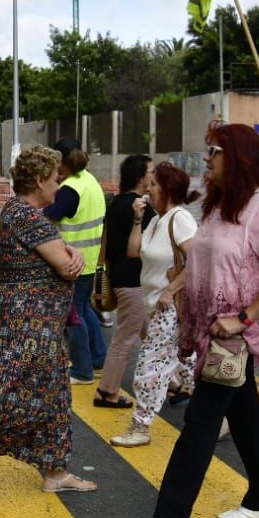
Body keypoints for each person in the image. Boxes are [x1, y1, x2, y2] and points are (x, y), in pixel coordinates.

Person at [131, 124, 259, 518]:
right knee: (245, 417)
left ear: (238, 156)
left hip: (233, 336)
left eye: (215, 151)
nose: (207, 159)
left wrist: (242, 319)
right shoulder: (219, 204)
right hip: (209, 328)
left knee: (200, 423)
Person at [0, 146, 91, 496]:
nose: (58, 187)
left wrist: (73, 250)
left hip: (37, 324)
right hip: (29, 324)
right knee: (10, 390)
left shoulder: (19, 212)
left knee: (53, 394)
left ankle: (55, 471)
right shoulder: (27, 216)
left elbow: (63, 251)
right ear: (38, 180)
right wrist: (74, 254)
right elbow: (66, 266)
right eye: (54, 180)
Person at [111, 161, 198, 447]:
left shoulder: (180, 218)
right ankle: (221, 414)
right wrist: (138, 220)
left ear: (168, 188)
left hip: (170, 307)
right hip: (156, 305)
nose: (149, 189)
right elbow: (133, 251)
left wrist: (170, 290)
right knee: (188, 363)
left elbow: (198, 260)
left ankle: (140, 427)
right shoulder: (157, 220)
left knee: (150, 366)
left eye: (155, 184)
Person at [44, 137, 107, 384]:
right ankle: (98, 357)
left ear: (60, 162)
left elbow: (48, 215)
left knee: (73, 315)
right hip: (89, 259)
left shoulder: (70, 189)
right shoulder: (90, 181)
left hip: (72, 262)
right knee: (84, 309)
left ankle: (82, 370)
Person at [95, 154, 153, 409]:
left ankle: (174, 383)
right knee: (126, 338)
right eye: (151, 172)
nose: (154, 177)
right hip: (133, 281)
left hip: (121, 277)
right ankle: (107, 391)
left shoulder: (117, 202)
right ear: (140, 176)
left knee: (150, 334)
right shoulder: (139, 208)